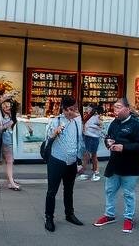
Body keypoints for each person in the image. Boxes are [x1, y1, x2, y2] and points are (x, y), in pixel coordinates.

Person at [96, 99, 139, 233]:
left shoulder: (136, 124)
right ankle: (109, 214)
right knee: (109, 190)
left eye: (118, 107)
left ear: (127, 108)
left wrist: (124, 147)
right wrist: (108, 142)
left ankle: (129, 217)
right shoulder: (114, 123)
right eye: (115, 107)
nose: (115, 110)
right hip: (114, 164)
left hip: (130, 165)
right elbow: (108, 137)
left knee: (128, 193)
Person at [43, 95, 85, 232]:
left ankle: (69, 214)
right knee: (52, 191)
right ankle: (49, 217)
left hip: (71, 161)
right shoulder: (55, 121)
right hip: (57, 160)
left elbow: (79, 140)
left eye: (75, 109)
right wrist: (55, 133)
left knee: (69, 189)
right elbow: (47, 138)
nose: (74, 112)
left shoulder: (77, 121)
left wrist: (80, 159)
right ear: (64, 109)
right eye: (71, 109)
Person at [0, 96, 20, 191]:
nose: (8, 108)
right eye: (6, 106)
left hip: (8, 139)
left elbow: (14, 122)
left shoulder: (10, 112)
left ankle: (11, 182)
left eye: (10, 106)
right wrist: (7, 125)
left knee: (10, 161)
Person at [79, 105, 103, 182]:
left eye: (89, 108)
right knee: (90, 154)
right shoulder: (88, 116)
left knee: (90, 154)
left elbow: (100, 126)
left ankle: (89, 169)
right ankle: (93, 169)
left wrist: (92, 127)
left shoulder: (96, 117)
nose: (87, 109)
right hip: (88, 137)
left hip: (93, 137)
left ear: (92, 109)